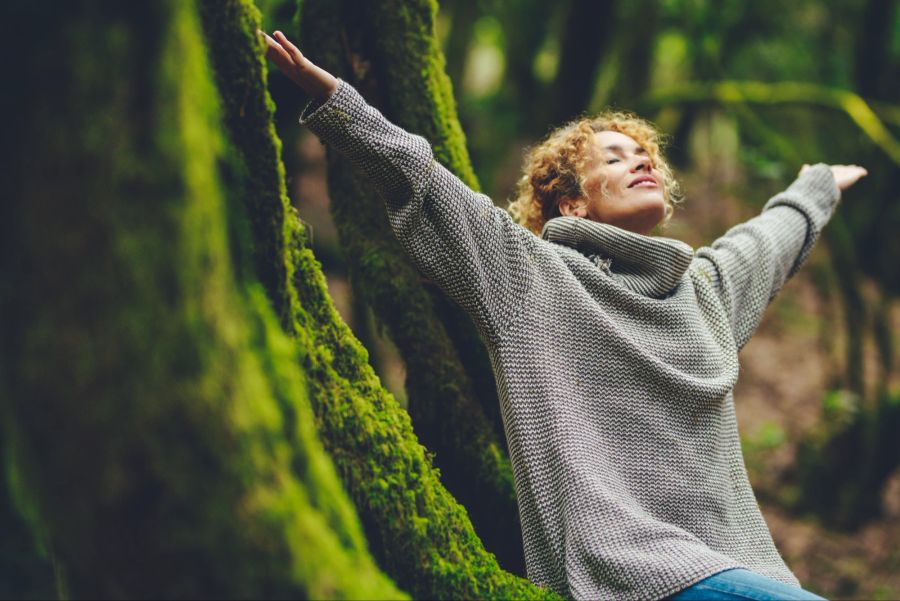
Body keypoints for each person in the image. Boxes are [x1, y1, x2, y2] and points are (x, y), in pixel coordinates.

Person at [263, 29, 866, 601]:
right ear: (572, 203)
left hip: (742, 568)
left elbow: (765, 241)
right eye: (615, 158)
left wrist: (819, 187)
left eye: (644, 154)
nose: (641, 162)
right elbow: (427, 184)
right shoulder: (531, 279)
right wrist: (336, 100)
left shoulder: (703, 293)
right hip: (622, 574)